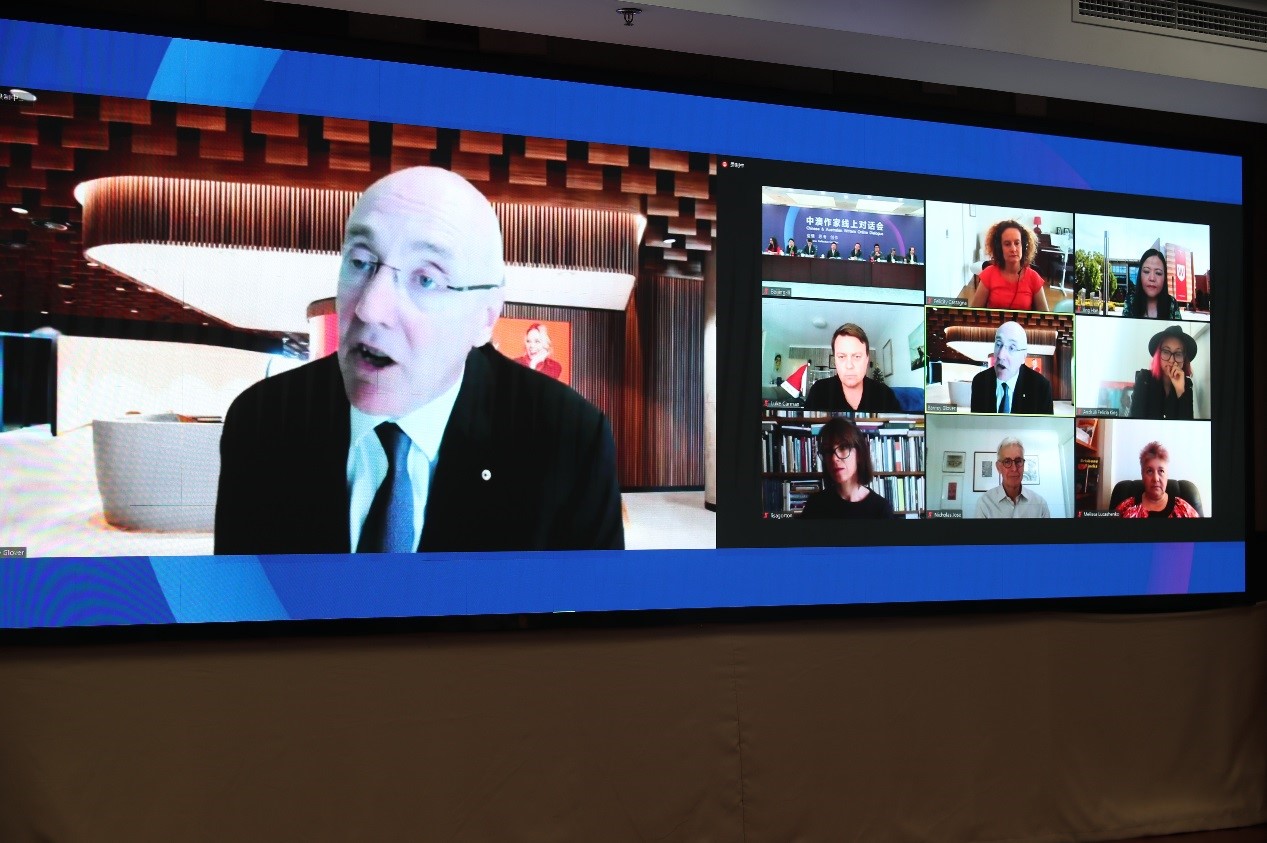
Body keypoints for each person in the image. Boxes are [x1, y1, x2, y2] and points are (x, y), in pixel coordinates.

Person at [215, 167, 624, 554]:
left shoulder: (568, 440)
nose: (369, 308)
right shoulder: (263, 422)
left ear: (485, 317)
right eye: (360, 262)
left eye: (426, 279)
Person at [799, 417, 894, 519]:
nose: (834, 458)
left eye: (843, 447)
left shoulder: (881, 509)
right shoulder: (815, 504)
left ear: (859, 454)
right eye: (828, 451)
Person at [804, 323, 902, 413]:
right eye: (841, 357)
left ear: (867, 359)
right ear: (835, 360)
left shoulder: (885, 394)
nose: (849, 365)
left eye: (857, 356)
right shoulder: (818, 391)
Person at [969, 321, 1054, 414]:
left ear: (1023, 357)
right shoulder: (980, 381)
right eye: (998, 344)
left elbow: (1045, 423)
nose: (1001, 355)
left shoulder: (1041, 387)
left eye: (1011, 348)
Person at [968, 219, 1050, 312]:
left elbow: (1045, 317)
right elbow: (973, 313)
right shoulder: (989, 273)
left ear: (1023, 246)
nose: (1013, 249)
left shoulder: (1034, 277)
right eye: (1007, 244)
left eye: (1017, 243)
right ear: (999, 248)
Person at [1116, 441, 1200, 518]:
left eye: (1161, 471)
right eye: (1149, 471)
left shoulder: (1183, 509)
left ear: (1167, 475)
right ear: (1142, 475)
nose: (1156, 479)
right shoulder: (1126, 508)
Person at [973, 437, 1051, 518]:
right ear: (999, 467)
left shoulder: (1040, 505)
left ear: (1024, 465)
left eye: (1018, 461)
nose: (1014, 469)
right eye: (1007, 462)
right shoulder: (984, 504)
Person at [1129, 325, 1195, 420]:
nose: (1172, 360)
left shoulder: (1187, 384)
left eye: (1178, 354)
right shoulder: (1144, 379)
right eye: (1166, 352)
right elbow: (1134, 419)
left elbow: (1188, 424)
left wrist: (1180, 391)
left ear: (1184, 359)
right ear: (1158, 355)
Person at [1123, 248, 1181, 319]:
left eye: (1158, 273)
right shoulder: (1130, 302)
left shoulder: (1172, 304)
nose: (1152, 278)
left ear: (1164, 277)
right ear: (1140, 275)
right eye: (1146, 271)